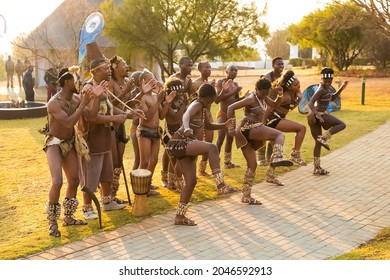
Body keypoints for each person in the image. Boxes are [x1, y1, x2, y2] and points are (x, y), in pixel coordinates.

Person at [78, 55, 145, 220]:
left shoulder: (103, 87)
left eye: (109, 67)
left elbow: (110, 108)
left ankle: (107, 202)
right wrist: (114, 119)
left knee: (107, 173)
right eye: (105, 68)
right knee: (91, 176)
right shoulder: (88, 89)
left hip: (105, 138)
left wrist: (129, 114)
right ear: (95, 71)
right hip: (92, 139)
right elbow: (90, 117)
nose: (109, 70)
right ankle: (87, 208)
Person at [166, 83, 237, 226]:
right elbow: (186, 114)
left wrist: (225, 125)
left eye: (211, 102)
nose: (210, 104)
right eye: (209, 102)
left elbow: (209, 126)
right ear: (202, 98)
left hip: (185, 145)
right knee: (212, 147)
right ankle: (220, 184)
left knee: (191, 182)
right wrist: (186, 128)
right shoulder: (197, 104)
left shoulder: (203, 108)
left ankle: (179, 217)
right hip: (180, 142)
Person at [43, 67, 94, 237]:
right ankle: (52, 222)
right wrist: (82, 106)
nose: (77, 82)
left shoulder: (77, 98)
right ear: (67, 82)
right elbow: (67, 123)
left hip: (70, 142)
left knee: (74, 179)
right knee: (57, 181)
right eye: (75, 80)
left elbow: (91, 115)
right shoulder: (54, 103)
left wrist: (96, 96)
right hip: (54, 143)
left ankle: (69, 217)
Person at [227, 78, 293, 204]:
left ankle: (246, 195)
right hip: (248, 128)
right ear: (256, 89)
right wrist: (231, 127)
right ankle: (277, 157)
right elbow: (231, 107)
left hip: (252, 130)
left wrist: (279, 95)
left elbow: (274, 106)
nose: (264, 95)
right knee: (279, 135)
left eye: (266, 93)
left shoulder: (262, 97)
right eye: (262, 93)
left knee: (252, 165)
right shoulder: (251, 99)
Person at [308, 67, 348, 175]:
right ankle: (324, 138)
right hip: (318, 115)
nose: (327, 83)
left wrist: (342, 88)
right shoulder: (321, 89)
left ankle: (317, 168)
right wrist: (317, 114)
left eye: (329, 81)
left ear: (332, 79)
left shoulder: (328, 88)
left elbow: (332, 98)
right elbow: (310, 103)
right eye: (325, 81)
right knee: (341, 124)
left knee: (318, 143)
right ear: (322, 79)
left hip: (315, 116)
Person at [137, 69, 171, 195]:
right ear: (143, 82)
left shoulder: (156, 96)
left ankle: (147, 184)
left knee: (154, 160)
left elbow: (161, 116)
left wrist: (166, 103)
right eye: (150, 79)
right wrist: (158, 101)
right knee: (144, 161)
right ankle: (140, 187)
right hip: (145, 132)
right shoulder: (143, 98)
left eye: (154, 78)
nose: (153, 81)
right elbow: (148, 117)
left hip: (156, 132)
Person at [264, 70, 307, 166]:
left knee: (276, 151)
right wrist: (263, 123)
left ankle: (270, 174)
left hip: (278, 119)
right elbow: (270, 107)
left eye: (298, 83)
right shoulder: (286, 96)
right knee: (302, 128)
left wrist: (299, 99)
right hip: (273, 119)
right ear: (289, 87)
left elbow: (290, 108)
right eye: (296, 85)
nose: (298, 86)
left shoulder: (292, 93)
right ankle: (295, 155)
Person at [107, 55, 135, 204]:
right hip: (112, 124)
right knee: (112, 161)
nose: (127, 67)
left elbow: (127, 103)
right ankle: (107, 196)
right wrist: (125, 91)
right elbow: (109, 103)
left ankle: (113, 195)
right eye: (123, 64)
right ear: (115, 68)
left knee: (118, 162)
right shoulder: (110, 83)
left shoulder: (125, 82)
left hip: (122, 124)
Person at [160, 77, 188, 191]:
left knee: (176, 158)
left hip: (179, 133)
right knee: (173, 157)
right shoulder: (167, 103)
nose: (181, 93)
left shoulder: (181, 101)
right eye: (179, 91)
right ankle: (170, 181)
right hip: (170, 134)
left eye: (182, 91)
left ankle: (174, 179)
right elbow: (175, 117)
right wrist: (184, 107)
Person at [257, 56, 285, 166]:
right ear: (273, 65)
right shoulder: (267, 78)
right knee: (263, 131)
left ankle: (270, 156)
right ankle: (260, 157)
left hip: (276, 108)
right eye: (278, 64)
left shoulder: (283, 78)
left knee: (274, 132)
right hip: (265, 106)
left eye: (282, 64)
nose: (281, 66)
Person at [191, 61, 215, 177]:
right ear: (200, 69)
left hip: (208, 116)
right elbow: (191, 101)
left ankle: (202, 169)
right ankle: (192, 170)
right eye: (206, 67)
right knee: (198, 143)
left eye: (210, 67)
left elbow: (215, 100)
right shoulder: (195, 84)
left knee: (209, 142)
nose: (209, 69)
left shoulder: (211, 83)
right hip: (198, 117)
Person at [215, 64, 242, 169]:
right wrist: (234, 91)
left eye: (236, 70)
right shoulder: (220, 82)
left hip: (232, 115)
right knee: (220, 138)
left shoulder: (235, 84)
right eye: (232, 70)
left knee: (230, 139)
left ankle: (227, 163)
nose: (234, 72)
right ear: (226, 71)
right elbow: (217, 99)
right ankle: (215, 162)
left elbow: (236, 101)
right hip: (222, 114)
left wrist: (245, 98)